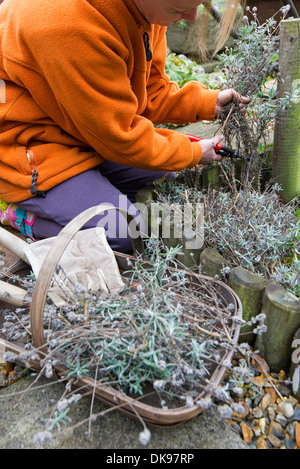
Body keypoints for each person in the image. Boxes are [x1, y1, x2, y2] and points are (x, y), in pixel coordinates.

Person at [0, 0, 248, 252]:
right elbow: (119, 137)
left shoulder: (146, 11)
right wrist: (193, 152)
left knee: (165, 182)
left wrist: (207, 103)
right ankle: (25, 218)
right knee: (125, 232)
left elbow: (149, 92)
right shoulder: (67, 25)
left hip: (82, 129)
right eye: (178, 9)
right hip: (27, 149)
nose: (193, 17)